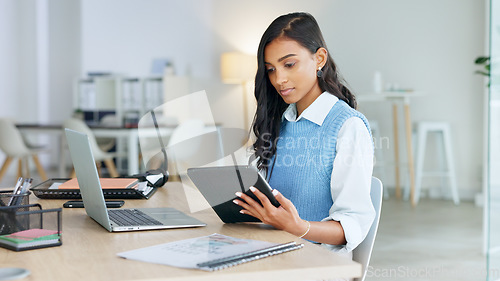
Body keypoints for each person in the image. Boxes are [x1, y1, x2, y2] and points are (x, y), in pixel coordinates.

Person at [233, 12, 375, 255]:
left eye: (289, 64)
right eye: (270, 70)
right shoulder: (280, 124)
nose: (279, 79)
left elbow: (352, 226)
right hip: (273, 251)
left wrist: (299, 227)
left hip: (317, 263)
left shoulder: (347, 126)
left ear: (319, 58)